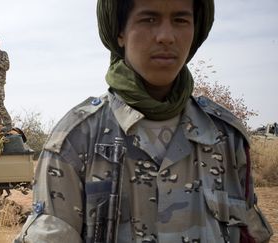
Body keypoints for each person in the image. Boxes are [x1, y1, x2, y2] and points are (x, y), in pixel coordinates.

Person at [15, 0, 273, 242]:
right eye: (149, 19)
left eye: (181, 20)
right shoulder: (75, 139)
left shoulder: (226, 137)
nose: (166, 36)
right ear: (120, 32)